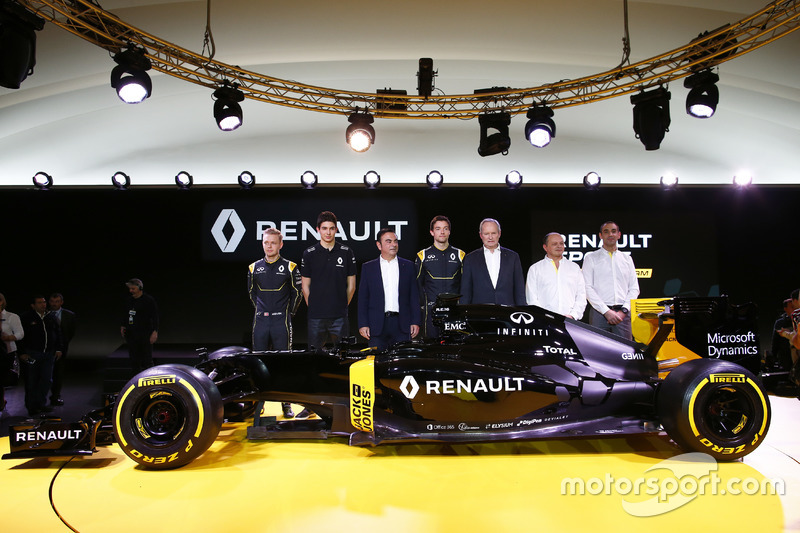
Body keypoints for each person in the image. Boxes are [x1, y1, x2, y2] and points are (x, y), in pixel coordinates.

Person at [248, 227, 302, 418]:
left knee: (283, 364)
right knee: (258, 364)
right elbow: (252, 294)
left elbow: (297, 294)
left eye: (273, 242)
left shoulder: (291, 267)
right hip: (261, 322)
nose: (269, 246)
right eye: (266, 242)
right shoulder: (254, 267)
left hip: (281, 322)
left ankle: (286, 404)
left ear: (281, 244)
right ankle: (258, 403)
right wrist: (262, 312)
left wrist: (288, 314)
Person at [301, 211, 357, 350]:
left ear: (336, 230)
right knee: (315, 358)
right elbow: (305, 285)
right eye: (324, 228)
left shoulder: (346, 252)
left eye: (332, 228)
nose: (328, 232)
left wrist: (342, 306)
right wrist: (315, 306)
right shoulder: (309, 253)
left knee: (342, 356)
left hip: (339, 317)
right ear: (318, 229)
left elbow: (352, 286)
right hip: (316, 317)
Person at [358, 228, 421, 350]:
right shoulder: (368, 267)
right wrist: (363, 324)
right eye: (388, 241)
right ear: (378, 245)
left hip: (402, 324)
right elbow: (363, 298)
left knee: (402, 364)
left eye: (395, 241)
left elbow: (414, 296)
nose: (393, 244)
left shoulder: (408, 266)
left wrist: (415, 321)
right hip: (377, 326)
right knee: (378, 365)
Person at [582, 221, 640, 339]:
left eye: (613, 231)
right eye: (606, 231)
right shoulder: (591, 258)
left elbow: (634, 288)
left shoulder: (627, 259)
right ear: (600, 235)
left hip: (623, 315)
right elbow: (587, 288)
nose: (610, 234)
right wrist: (606, 311)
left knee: (625, 353)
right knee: (597, 353)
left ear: (619, 235)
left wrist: (624, 310)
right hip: (599, 314)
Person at [415, 215, 465, 338]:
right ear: (432, 232)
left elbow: (466, 285)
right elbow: (416, 286)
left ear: (449, 231)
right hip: (431, 313)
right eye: (438, 229)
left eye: (445, 228)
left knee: (454, 349)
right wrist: (422, 308)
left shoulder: (460, 255)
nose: (442, 232)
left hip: (454, 313)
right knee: (432, 349)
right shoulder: (423, 255)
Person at [461, 218, 525, 305]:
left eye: (493, 233)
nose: (490, 237)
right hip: (480, 313)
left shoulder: (513, 257)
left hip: (507, 312)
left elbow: (519, 289)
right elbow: (466, 291)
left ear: (499, 233)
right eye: (486, 234)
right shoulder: (470, 258)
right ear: (481, 235)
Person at [19, 295, 62, 417]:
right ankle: (32, 407)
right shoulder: (26, 317)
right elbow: (20, 336)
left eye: (44, 302)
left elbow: (58, 334)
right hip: (32, 354)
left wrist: (59, 349)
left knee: (46, 380)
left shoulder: (51, 317)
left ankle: (41, 404)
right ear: (33, 305)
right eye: (39, 303)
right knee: (32, 381)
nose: (43, 304)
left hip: (48, 355)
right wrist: (22, 352)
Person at [526, 232, 586, 319]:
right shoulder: (535, 269)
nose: (559, 246)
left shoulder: (574, 267)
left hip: (570, 321)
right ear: (545, 247)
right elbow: (531, 298)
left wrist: (573, 315)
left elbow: (581, 296)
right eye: (554, 244)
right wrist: (544, 316)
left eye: (561, 243)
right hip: (545, 321)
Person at [120, 278, 159, 375]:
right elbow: (125, 314)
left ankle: (150, 379)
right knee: (134, 360)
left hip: (145, 333)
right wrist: (123, 326)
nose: (131, 291)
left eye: (133, 289)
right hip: (131, 334)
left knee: (147, 360)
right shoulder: (129, 300)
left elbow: (155, 316)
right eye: (130, 289)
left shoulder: (148, 300)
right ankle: (136, 382)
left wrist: (155, 331)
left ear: (140, 288)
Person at [47, 292, 76, 406]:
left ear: (61, 302)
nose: (54, 304)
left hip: (61, 349)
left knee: (58, 373)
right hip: (45, 348)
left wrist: (62, 346)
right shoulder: (44, 314)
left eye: (57, 302)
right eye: (52, 302)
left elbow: (71, 332)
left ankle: (55, 396)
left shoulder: (69, 315)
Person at [1, 293, 25, 412]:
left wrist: (9, 337)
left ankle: (1, 403)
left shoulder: (11, 317)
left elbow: (20, 334)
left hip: (6, 353)